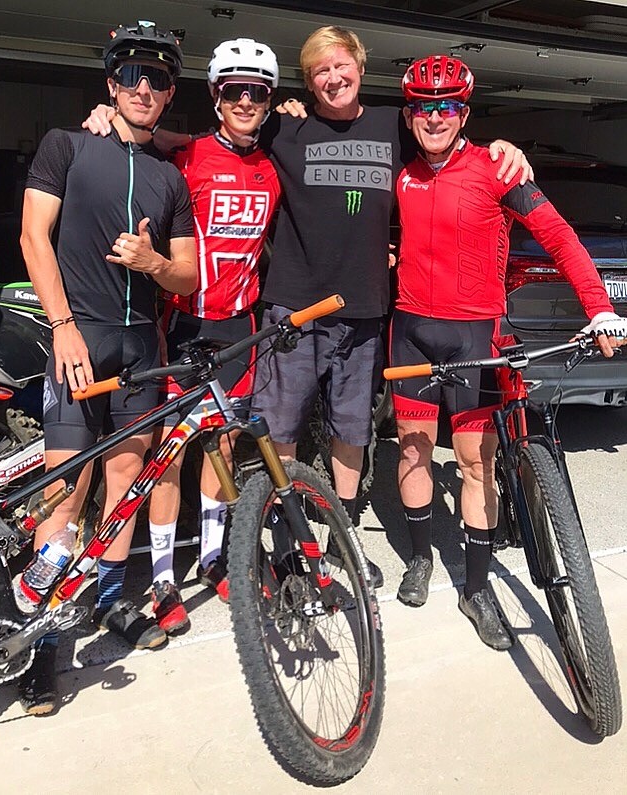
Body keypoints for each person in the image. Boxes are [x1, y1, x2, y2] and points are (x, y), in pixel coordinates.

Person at [83, 25, 529, 581]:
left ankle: (340, 536)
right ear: (308, 80)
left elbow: (450, 136)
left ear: (361, 69)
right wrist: (114, 121)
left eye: (342, 67)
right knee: (283, 428)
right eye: (320, 70)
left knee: (350, 433)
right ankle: (291, 540)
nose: (334, 78)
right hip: (290, 311)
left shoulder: (395, 123)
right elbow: (201, 138)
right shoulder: (282, 124)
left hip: (365, 310)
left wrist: (503, 148)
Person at [391, 54, 626, 649]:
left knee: (475, 463)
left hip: (476, 335)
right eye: (424, 107)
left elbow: (561, 237)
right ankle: (420, 558)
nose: (435, 117)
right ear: (410, 114)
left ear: (463, 111)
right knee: (414, 452)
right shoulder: (401, 171)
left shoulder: (499, 169)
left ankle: (475, 588)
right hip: (412, 329)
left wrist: (600, 307)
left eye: (446, 106)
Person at [17, 21, 197, 714]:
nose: (143, 87)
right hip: (79, 339)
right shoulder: (68, 146)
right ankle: (43, 646)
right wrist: (62, 326)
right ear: (110, 83)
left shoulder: (169, 176)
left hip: (140, 350)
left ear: (170, 91)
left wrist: (153, 263)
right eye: (131, 75)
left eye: (157, 78)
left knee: (124, 479)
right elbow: (34, 237)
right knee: (66, 493)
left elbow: (185, 275)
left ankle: (110, 602)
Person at [146, 39, 281, 634]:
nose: (246, 101)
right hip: (185, 326)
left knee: (223, 447)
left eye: (258, 92)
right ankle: (160, 579)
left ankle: (211, 558)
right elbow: (130, 136)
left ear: (271, 100)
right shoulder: (186, 156)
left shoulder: (273, 168)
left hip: (239, 328)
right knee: (170, 454)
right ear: (216, 96)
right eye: (235, 91)